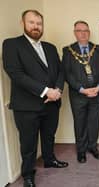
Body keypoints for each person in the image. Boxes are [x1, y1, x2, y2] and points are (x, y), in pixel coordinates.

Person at [2, 9, 68, 187]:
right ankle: (28, 175)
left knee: (49, 136)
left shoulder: (50, 47)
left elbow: (60, 71)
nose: (36, 27)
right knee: (28, 144)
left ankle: (49, 160)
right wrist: (46, 91)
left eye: (39, 23)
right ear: (22, 23)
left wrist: (58, 90)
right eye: (31, 22)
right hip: (27, 106)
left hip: (52, 104)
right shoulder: (11, 45)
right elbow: (16, 73)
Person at [62, 20, 99, 163]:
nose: (83, 33)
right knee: (80, 123)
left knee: (94, 122)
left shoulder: (97, 49)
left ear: (89, 32)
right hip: (78, 96)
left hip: (97, 93)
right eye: (79, 30)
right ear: (75, 33)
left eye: (86, 30)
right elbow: (67, 74)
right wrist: (82, 90)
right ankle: (81, 151)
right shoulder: (68, 50)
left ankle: (92, 147)